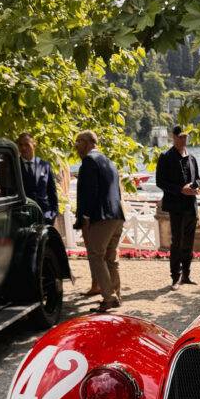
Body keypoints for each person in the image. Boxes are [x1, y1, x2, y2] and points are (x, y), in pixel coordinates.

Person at [73, 130, 125, 313]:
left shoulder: (88, 161)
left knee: (96, 255)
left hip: (101, 217)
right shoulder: (109, 162)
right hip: (117, 215)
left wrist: (83, 218)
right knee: (111, 257)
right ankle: (117, 295)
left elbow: (89, 193)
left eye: (78, 142)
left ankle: (108, 298)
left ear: (87, 142)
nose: (76, 146)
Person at [155, 125, 200, 291]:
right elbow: (160, 182)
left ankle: (187, 275)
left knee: (189, 242)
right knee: (177, 242)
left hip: (191, 205)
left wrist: (195, 186)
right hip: (176, 206)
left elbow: (198, 179)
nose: (183, 139)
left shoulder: (192, 158)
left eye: (185, 137)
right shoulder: (165, 157)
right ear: (173, 137)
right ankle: (176, 276)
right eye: (180, 137)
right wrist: (181, 189)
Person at [16, 132, 58, 224]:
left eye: (27, 144)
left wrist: (54, 213)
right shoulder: (14, 166)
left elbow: (52, 191)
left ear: (34, 144)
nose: (23, 148)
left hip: (45, 216)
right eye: (20, 145)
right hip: (24, 217)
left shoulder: (44, 165)